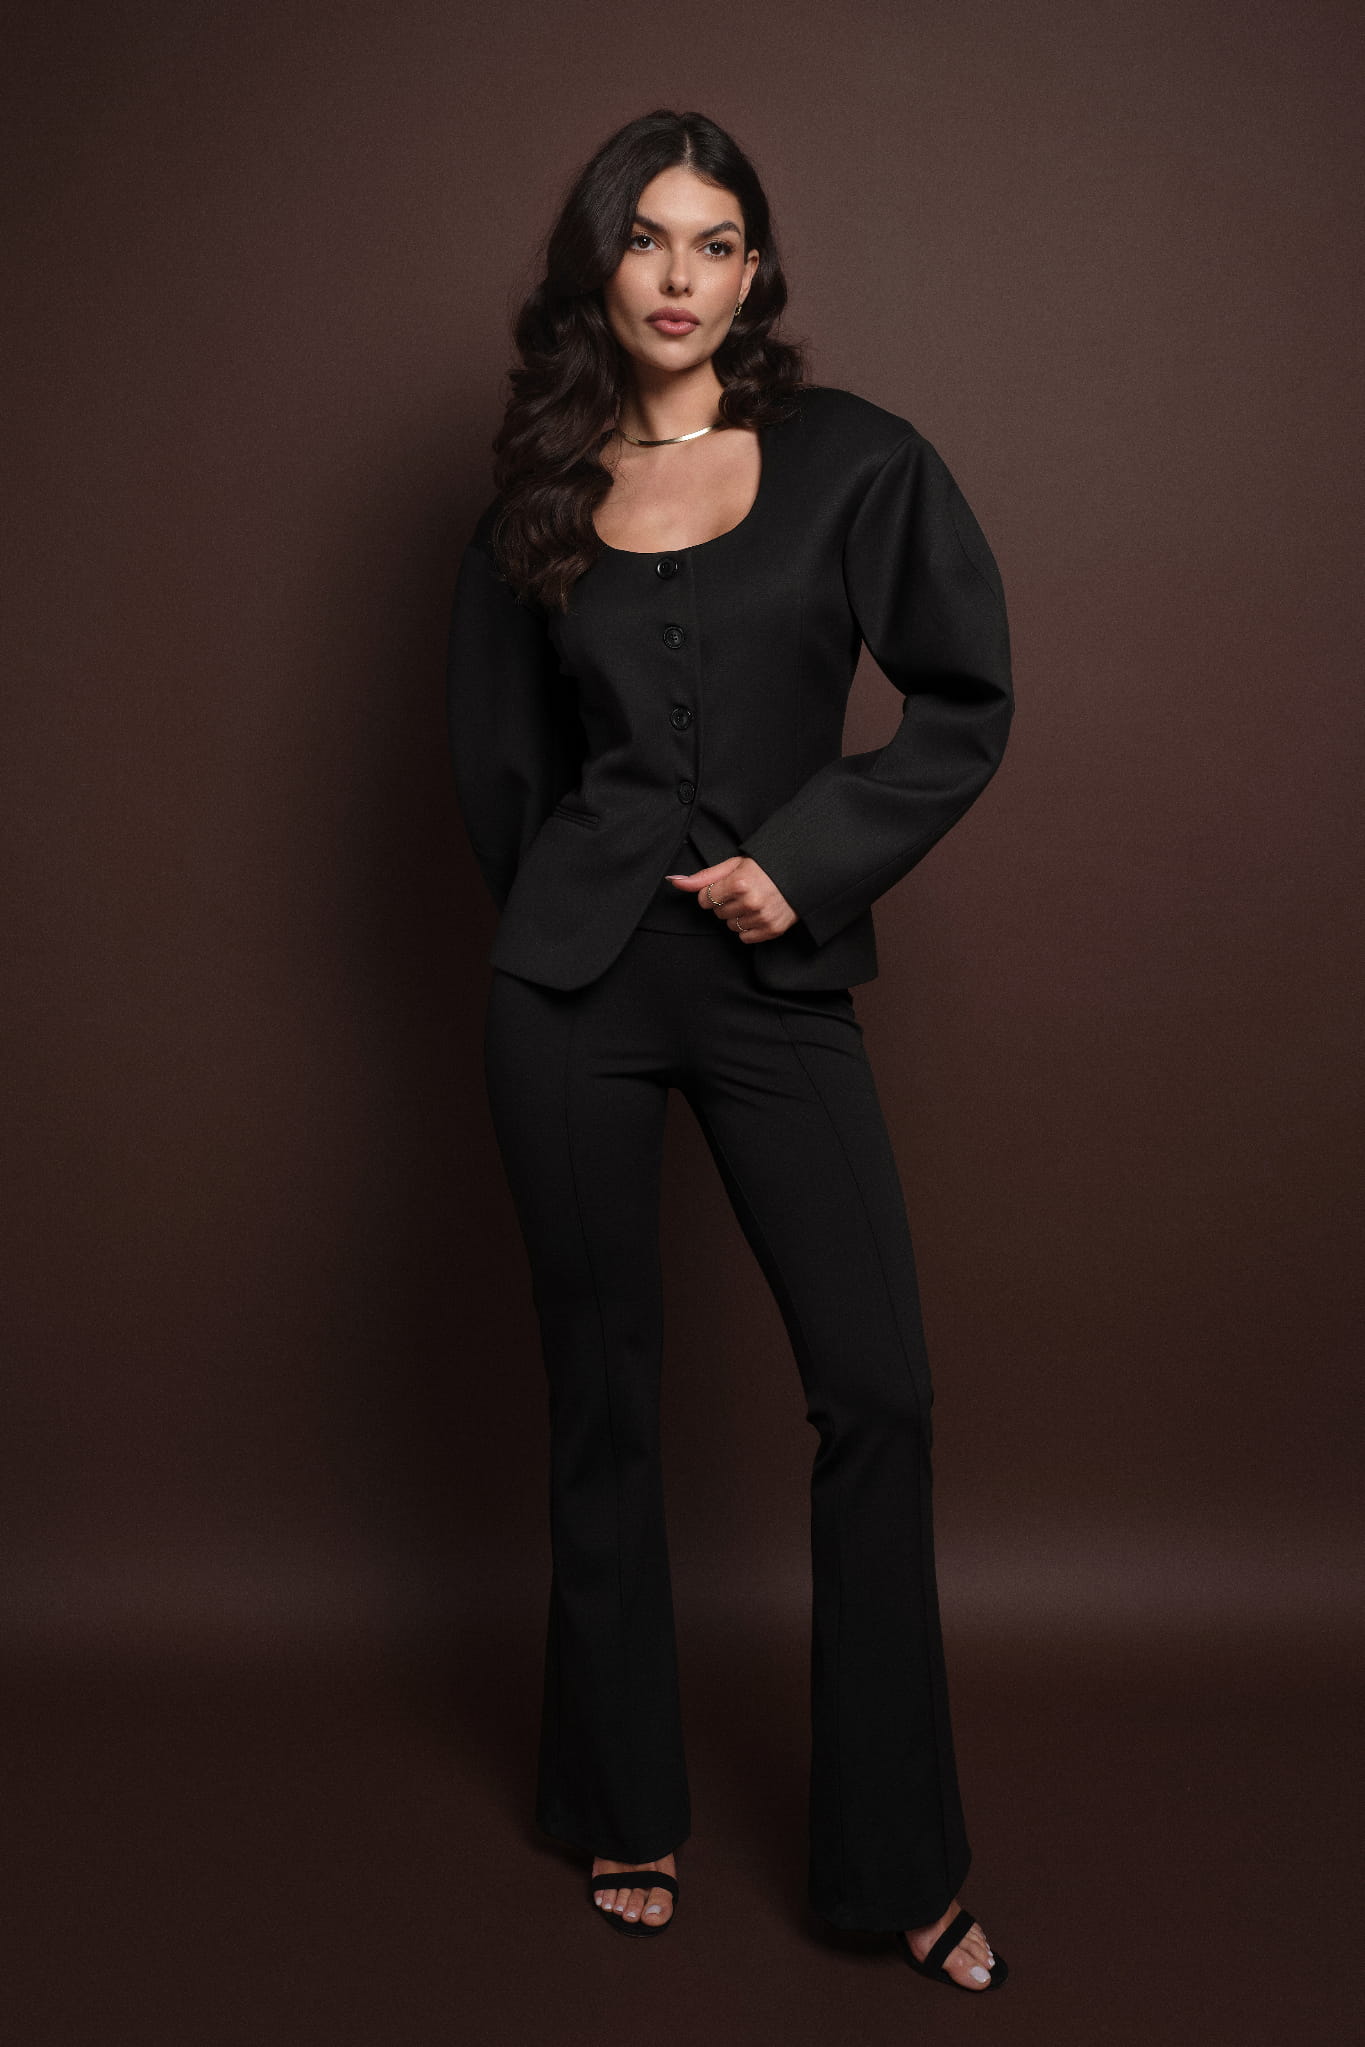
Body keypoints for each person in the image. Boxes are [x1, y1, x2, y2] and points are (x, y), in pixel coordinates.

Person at [444, 108, 1013, 1995]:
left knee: (878, 1392)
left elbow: (963, 698)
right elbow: (499, 773)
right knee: (602, 1394)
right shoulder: (534, 495)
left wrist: (807, 862)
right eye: (645, 238)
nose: (678, 276)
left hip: (774, 987)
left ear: (755, 270)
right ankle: (623, 1796)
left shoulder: (860, 461)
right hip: (573, 998)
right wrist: (570, 923)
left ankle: (896, 1859)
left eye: (714, 241)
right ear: (597, 266)